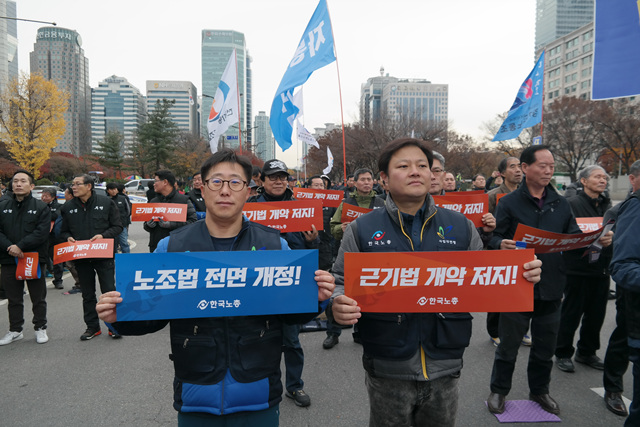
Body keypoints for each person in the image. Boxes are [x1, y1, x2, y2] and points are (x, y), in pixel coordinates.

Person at [96, 149, 335, 426]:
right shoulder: (171, 247)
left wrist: (314, 300)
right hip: (197, 389)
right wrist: (120, 318)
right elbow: (154, 316)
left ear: (248, 191)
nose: (225, 191)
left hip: (258, 389)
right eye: (216, 182)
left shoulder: (274, 246)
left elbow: (289, 316)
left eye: (235, 182)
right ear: (203, 187)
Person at [331, 138, 542, 426]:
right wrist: (338, 304)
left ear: (433, 174)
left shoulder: (461, 226)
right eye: (403, 166)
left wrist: (520, 275)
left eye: (422, 166)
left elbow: (485, 280)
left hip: (446, 362)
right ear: (384, 178)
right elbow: (341, 282)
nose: (415, 172)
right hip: (387, 364)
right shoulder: (361, 229)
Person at [486, 145, 612, 415]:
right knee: (508, 346)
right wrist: (500, 244)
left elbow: (575, 238)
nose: (547, 170)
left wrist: (597, 240)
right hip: (517, 286)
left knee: (544, 347)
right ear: (525, 168)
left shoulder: (561, 203)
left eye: (551, 166)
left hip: (553, 286)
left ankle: (540, 391)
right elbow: (495, 236)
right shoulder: (508, 203)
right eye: (542, 165)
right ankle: (498, 391)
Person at [247, 159, 319, 407]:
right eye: (273, 177)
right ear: (262, 181)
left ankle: (295, 386)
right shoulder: (249, 209)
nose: (278, 181)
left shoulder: (301, 208)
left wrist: (312, 241)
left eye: (282, 177)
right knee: (258, 338)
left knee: (292, 340)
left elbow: (319, 251)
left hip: (292, 285)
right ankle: (260, 385)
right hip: (258, 284)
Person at [555, 166, 612, 373]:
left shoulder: (607, 205)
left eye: (604, 177)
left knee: (596, 315)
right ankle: (562, 353)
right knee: (571, 313)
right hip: (577, 269)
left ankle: (587, 352)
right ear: (584, 181)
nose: (602, 180)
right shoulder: (572, 204)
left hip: (601, 269)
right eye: (597, 177)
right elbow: (563, 235)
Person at [60, 174, 123, 341]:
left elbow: (117, 226)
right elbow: (63, 231)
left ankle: (114, 326)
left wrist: (103, 235)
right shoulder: (68, 207)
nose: (73, 187)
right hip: (81, 257)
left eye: (77, 184)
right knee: (87, 294)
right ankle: (92, 327)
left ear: (89, 186)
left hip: (103, 255)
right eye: (72, 184)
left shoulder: (106, 203)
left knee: (109, 292)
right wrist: (68, 238)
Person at [602, 159, 640, 418]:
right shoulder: (633, 208)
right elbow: (623, 265)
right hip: (634, 298)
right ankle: (613, 387)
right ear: (633, 178)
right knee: (622, 339)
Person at [0, 171, 51, 346]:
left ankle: (40, 327)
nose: (18, 184)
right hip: (8, 258)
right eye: (15, 181)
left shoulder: (41, 207)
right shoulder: (3, 205)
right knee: (13, 297)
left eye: (23, 181)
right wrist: (10, 247)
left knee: (38, 296)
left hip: (33, 257)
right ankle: (15, 330)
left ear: (31, 186)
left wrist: (20, 246)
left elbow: (42, 232)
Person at [486, 157, 526, 346]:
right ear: (501, 173)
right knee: (498, 295)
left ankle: (521, 330)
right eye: (512, 167)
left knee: (521, 292)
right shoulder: (493, 196)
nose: (518, 170)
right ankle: (495, 331)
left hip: (522, 249)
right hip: (499, 249)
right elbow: (484, 225)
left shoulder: (527, 195)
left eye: (520, 167)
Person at [143, 170, 197, 253]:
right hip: (156, 247)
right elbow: (146, 225)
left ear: (165, 182)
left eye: (156, 181)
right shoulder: (153, 201)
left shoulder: (183, 200)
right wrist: (148, 225)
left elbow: (193, 222)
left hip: (179, 247)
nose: (154, 184)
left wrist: (171, 225)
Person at [330, 168, 385, 242]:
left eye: (369, 179)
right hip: (352, 246)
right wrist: (341, 228)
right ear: (355, 183)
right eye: (362, 180)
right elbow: (333, 228)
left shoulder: (382, 203)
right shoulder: (346, 204)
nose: (366, 182)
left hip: (376, 245)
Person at [40, 187, 64, 289]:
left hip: (54, 237)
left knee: (57, 259)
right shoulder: (38, 205)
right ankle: (44, 277)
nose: (44, 198)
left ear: (53, 197)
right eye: (43, 195)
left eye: (47, 196)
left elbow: (54, 216)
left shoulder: (58, 206)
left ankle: (58, 280)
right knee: (43, 258)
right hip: (41, 236)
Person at [61, 186, 82, 295]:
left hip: (78, 242)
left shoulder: (77, 207)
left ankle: (80, 284)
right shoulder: (65, 207)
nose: (64, 194)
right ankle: (80, 284)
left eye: (66, 193)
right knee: (70, 264)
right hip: (67, 239)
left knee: (71, 264)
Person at [106, 182, 131, 254]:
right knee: (113, 245)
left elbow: (128, 211)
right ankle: (114, 260)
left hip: (122, 225)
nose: (114, 191)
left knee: (124, 243)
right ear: (108, 190)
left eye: (115, 189)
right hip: (110, 227)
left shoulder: (123, 198)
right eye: (111, 189)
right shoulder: (105, 200)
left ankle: (127, 259)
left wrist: (125, 220)